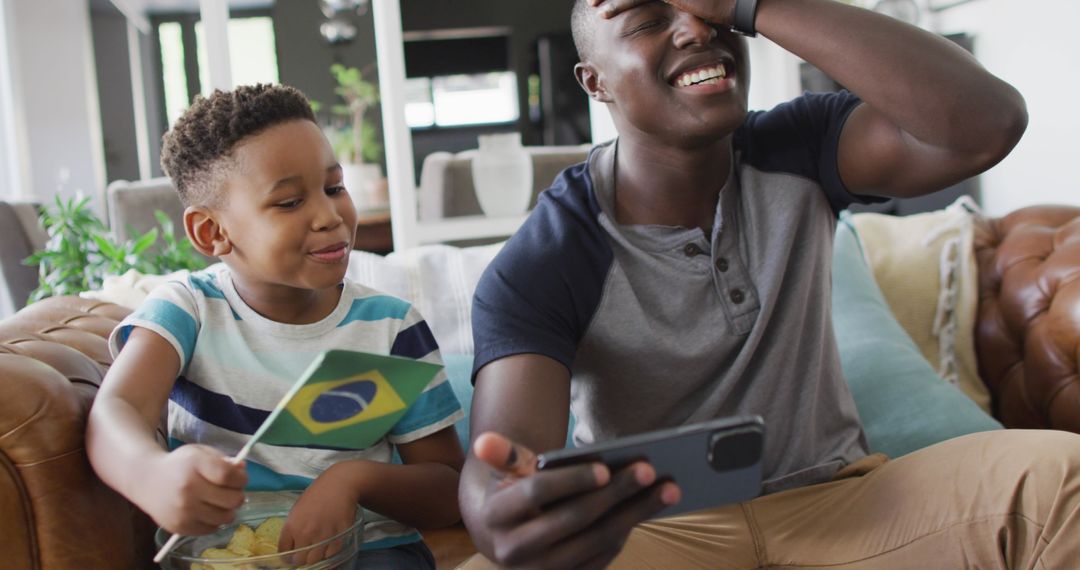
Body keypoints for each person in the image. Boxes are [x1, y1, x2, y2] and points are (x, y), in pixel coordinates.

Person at [459, 0, 1080, 568]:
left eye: (711, 12)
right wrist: (502, 518)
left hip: (846, 504)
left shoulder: (801, 146)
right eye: (648, 21)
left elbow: (988, 123)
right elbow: (499, 469)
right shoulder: (548, 256)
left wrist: (751, 4)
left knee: (1064, 480)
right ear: (594, 81)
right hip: (659, 531)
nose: (697, 28)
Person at [86, 84, 464, 569]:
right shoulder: (189, 310)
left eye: (334, 188)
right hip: (228, 556)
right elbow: (115, 411)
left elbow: (448, 490)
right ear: (213, 232)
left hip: (370, 553)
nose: (330, 217)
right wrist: (150, 474)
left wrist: (350, 480)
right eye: (289, 202)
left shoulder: (391, 327)